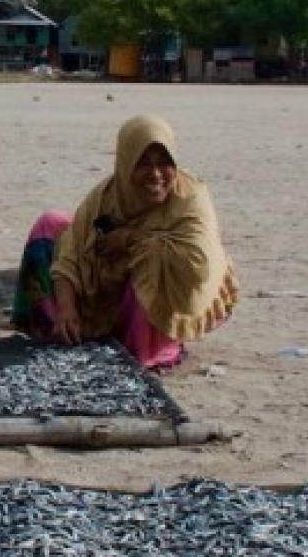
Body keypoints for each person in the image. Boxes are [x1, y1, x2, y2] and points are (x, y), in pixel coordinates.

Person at [13, 115, 237, 370]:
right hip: (105, 299)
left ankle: (152, 345)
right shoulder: (107, 196)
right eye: (143, 164)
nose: (155, 175)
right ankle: (57, 325)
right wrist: (66, 309)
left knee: (154, 257)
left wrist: (130, 239)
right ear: (126, 164)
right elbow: (71, 252)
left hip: (169, 302)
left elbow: (198, 263)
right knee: (51, 223)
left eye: (164, 163)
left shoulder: (190, 198)